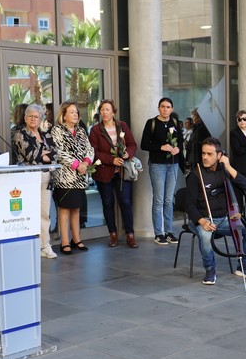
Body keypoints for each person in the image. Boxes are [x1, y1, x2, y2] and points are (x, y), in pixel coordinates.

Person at [184, 137, 246, 285]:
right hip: (204, 219)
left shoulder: (225, 171)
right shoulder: (195, 174)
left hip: (226, 219)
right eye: (203, 153)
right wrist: (202, 221)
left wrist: (229, 167)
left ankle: (243, 265)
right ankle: (210, 269)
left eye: (210, 154)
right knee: (205, 235)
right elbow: (188, 204)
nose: (205, 157)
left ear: (219, 155)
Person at [89, 100, 138, 248]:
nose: (104, 112)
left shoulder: (122, 126)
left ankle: (130, 234)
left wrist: (126, 154)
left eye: (107, 110)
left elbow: (132, 144)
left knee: (125, 202)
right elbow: (94, 152)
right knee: (108, 203)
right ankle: (113, 234)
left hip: (122, 172)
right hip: (104, 172)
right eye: (102, 110)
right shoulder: (96, 130)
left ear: (113, 112)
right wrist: (111, 160)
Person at [12, 104, 59, 258]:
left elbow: (55, 154)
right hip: (28, 179)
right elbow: (30, 154)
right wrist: (44, 154)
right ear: (25, 118)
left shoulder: (46, 135)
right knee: (30, 214)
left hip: (46, 179)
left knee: (45, 213)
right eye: (30, 116)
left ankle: (45, 246)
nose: (33, 119)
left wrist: (44, 154)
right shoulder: (20, 134)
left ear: (41, 119)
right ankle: (31, 246)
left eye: (36, 116)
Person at [51, 101, 94, 254]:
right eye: (72, 112)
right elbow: (59, 152)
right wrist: (77, 164)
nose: (75, 115)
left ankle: (76, 239)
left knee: (76, 208)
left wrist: (86, 162)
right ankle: (64, 242)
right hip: (65, 177)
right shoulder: (57, 130)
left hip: (81, 176)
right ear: (63, 115)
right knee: (65, 210)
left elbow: (90, 148)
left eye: (76, 112)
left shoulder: (81, 131)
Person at [141, 97, 181, 245]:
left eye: (168, 107)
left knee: (169, 200)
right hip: (158, 165)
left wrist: (178, 148)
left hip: (173, 165)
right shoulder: (151, 123)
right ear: (159, 108)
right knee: (158, 199)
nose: (165, 109)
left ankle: (169, 231)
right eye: (163, 106)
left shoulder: (175, 122)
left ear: (172, 109)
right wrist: (160, 147)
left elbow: (181, 141)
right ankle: (159, 233)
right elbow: (144, 144)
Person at [179, 108, 211, 179]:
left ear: (199, 117)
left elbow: (196, 143)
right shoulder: (196, 128)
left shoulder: (201, 128)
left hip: (197, 159)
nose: (192, 119)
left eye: (194, 116)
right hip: (193, 159)